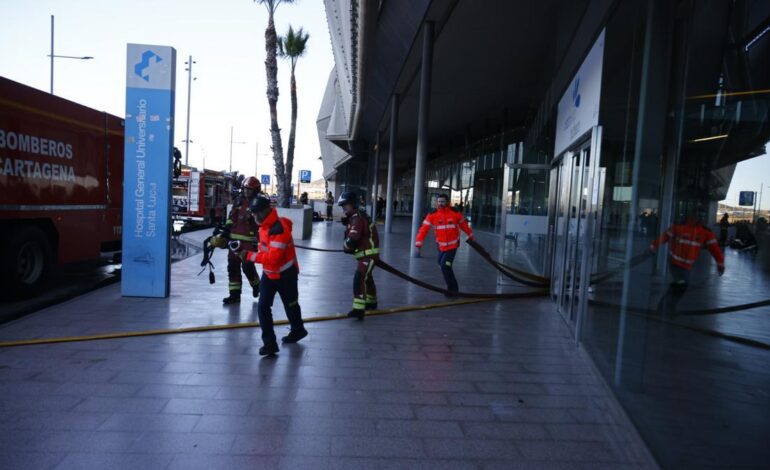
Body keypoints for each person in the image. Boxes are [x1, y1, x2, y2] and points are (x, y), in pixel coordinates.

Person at [239, 195, 307, 356]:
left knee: (291, 304)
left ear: (266, 210)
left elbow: (273, 260)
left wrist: (248, 256)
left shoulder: (279, 228)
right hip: (270, 275)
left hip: (286, 274)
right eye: (253, 212)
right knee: (263, 307)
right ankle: (269, 344)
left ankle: (298, 330)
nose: (254, 216)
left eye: (256, 212)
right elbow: (266, 252)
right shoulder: (264, 226)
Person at [650, 210, 724, 316]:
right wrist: (653, 246)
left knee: (680, 286)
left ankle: (667, 307)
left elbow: (715, 249)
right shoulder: (680, 227)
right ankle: (664, 308)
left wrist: (720, 264)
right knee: (681, 284)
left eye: (702, 217)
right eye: (699, 216)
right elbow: (665, 236)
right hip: (675, 263)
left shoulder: (705, 232)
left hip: (687, 266)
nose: (700, 219)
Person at [415, 193, 474, 295]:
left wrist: (470, 235)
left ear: (447, 202)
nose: (440, 203)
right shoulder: (432, 215)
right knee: (441, 263)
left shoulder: (455, 213)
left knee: (445, 265)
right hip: (441, 246)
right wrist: (419, 243)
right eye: (439, 201)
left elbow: (463, 225)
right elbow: (423, 230)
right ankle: (451, 287)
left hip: (452, 246)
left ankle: (453, 289)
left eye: (442, 201)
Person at [338, 192, 379, 319]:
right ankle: (371, 302)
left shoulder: (357, 218)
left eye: (345, 204)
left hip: (368, 254)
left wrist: (346, 246)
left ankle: (358, 309)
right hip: (366, 253)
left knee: (359, 278)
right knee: (367, 278)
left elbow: (353, 238)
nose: (343, 207)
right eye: (342, 205)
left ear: (353, 204)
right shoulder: (356, 216)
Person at [221, 176, 261, 305]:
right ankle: (234, 295)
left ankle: (257, 286)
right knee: (232, 267)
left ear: (255, 191)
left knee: (247, 267)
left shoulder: (259, 203)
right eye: (245, 189)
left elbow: (262, 223)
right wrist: (225, 231)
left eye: (249, 190)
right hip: (234, 242)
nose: (246, 192)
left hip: (249, 243)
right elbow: (231, 218)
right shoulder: (238, 201)